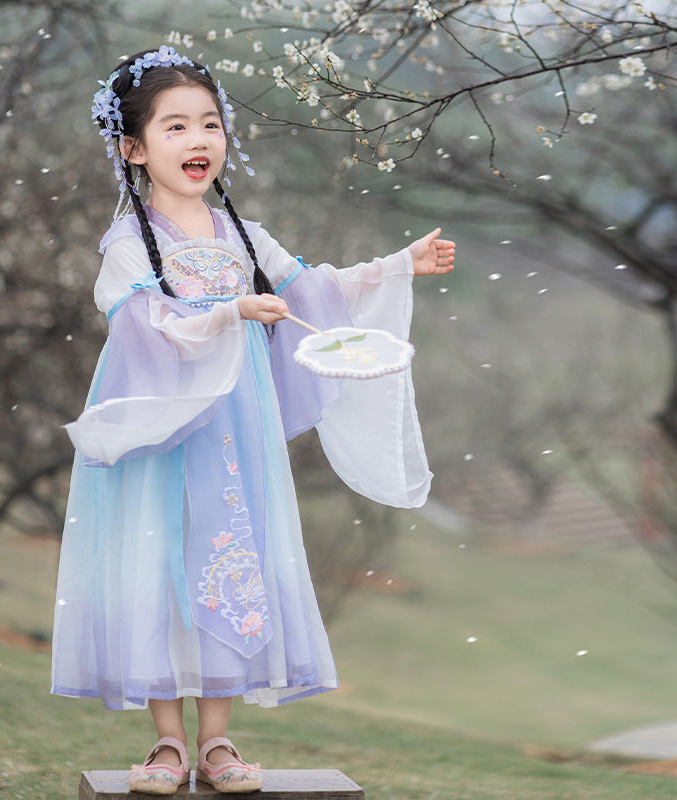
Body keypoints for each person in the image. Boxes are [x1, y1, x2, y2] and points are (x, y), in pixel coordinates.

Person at [51, 45, 455, 795]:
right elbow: (147, 324)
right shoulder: (125, 243)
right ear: (132, 148)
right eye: (175, 128)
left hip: (235, 427)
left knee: (227, 559)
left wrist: (399, 265)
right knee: (158, 561)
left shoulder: (244, 236)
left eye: (210, 123)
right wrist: (229, 309)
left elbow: (313, 290)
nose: (199, 140)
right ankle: (166, 743)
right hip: (162, 422)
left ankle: (218, 741)